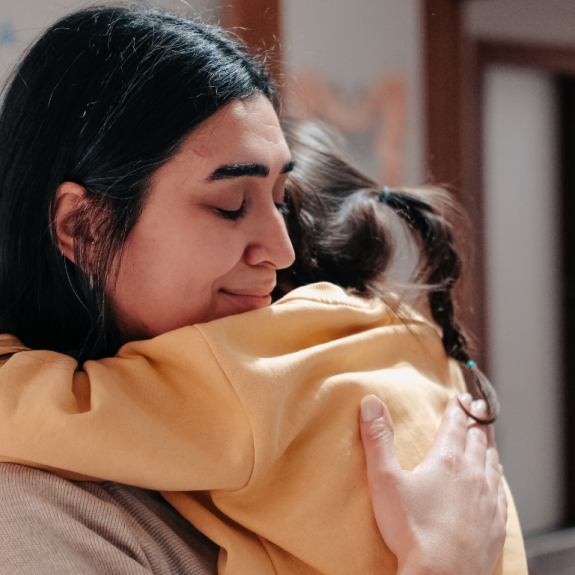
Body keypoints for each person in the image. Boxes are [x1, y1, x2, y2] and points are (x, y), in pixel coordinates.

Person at [0, 4, 525, 575]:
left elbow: (41, 408)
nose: (282, 251)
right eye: (230, 207)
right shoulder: (31, 513)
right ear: (80, 225)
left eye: (281, 200)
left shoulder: (237, 379)